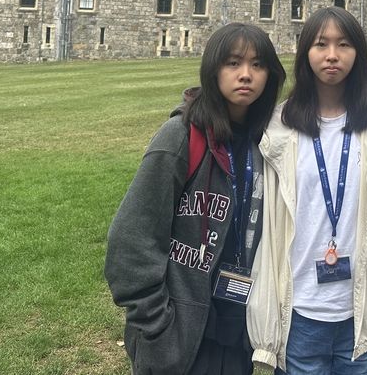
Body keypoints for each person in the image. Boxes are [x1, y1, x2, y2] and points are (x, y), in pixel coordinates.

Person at [247, 6, 367, 374]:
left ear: (358, 53)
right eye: (320, 44)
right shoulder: (279, 128)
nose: (331, 55)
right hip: (298, 313)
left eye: (343, 44)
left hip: (361, 315)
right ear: (305, 52)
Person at [105, 23, 286, 375]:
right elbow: (131, 240)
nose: (246, 74)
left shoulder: (269, 143)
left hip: (239, 329)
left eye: (257, 64)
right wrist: (157, 325)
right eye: (233, 63)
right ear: (213, 70)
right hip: (181, 334)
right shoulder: (180, 137)